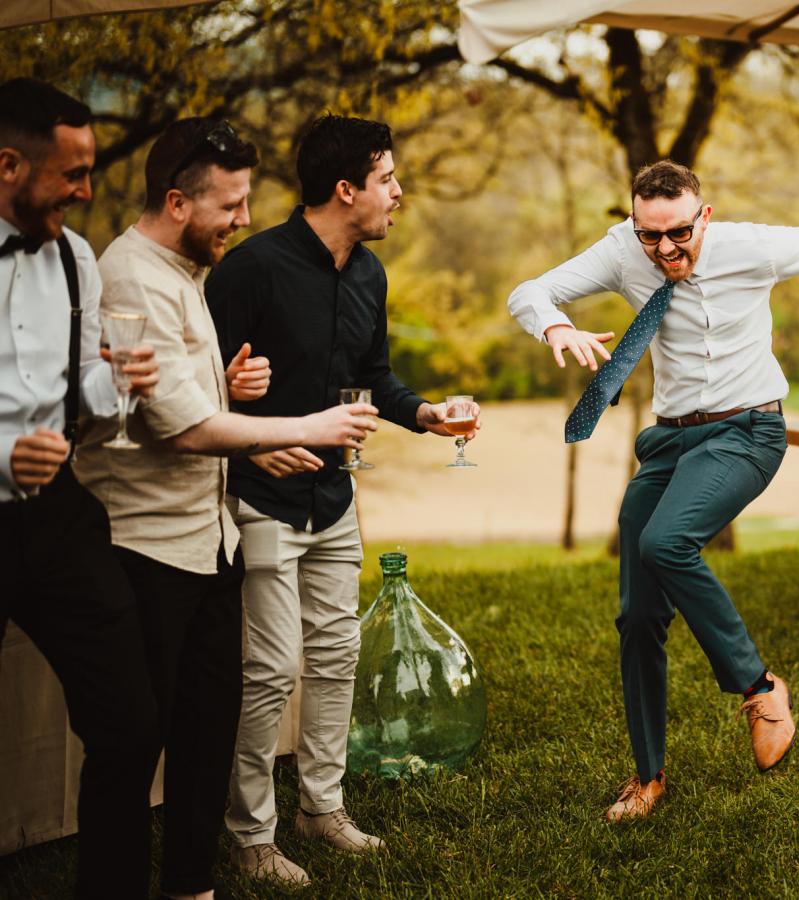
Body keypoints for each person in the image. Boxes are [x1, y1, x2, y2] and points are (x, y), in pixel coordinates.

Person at [508, 160, 799, 821]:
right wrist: (556, 326)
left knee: (667, 541)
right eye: (649, 235)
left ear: (705, 216)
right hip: (669, 443)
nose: (665, 249)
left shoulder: (751, 246)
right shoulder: (622, 251)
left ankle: (759, 687)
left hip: (748, 430)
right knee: (637, 617)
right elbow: (529, 292)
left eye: (678, 233)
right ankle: (648, 777)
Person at [73, 117, 380, 900]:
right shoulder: (132, 276)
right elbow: (175, 428)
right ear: (178, 202)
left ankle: (191, 885)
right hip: (147, 546)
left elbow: (183, 397)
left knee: (207, 726)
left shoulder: (183, 271)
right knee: (137, 740)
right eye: (231, 204)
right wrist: (298, 426)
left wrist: (231, 394)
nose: (243, 220)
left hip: (207, 540)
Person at [206, 113, 479, 887]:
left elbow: (378, 378)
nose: (400, 193)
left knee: (335, 656)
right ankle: (248, 833)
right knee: (267, 668)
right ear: (345, 188)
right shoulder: (249, 269)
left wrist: (428, 414)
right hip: (256, 497)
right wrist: (257, 441)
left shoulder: (369, 274)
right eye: (389, 179)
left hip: (335, 498)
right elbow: (200, 390)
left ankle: (321, 808)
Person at [0, 78, 161, 898]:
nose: (88, 190)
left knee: (130, 725)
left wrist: (119, 384)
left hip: (58, 515)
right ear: (8, 166)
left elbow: (83, 403)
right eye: (72, 173)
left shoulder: (73, 258)